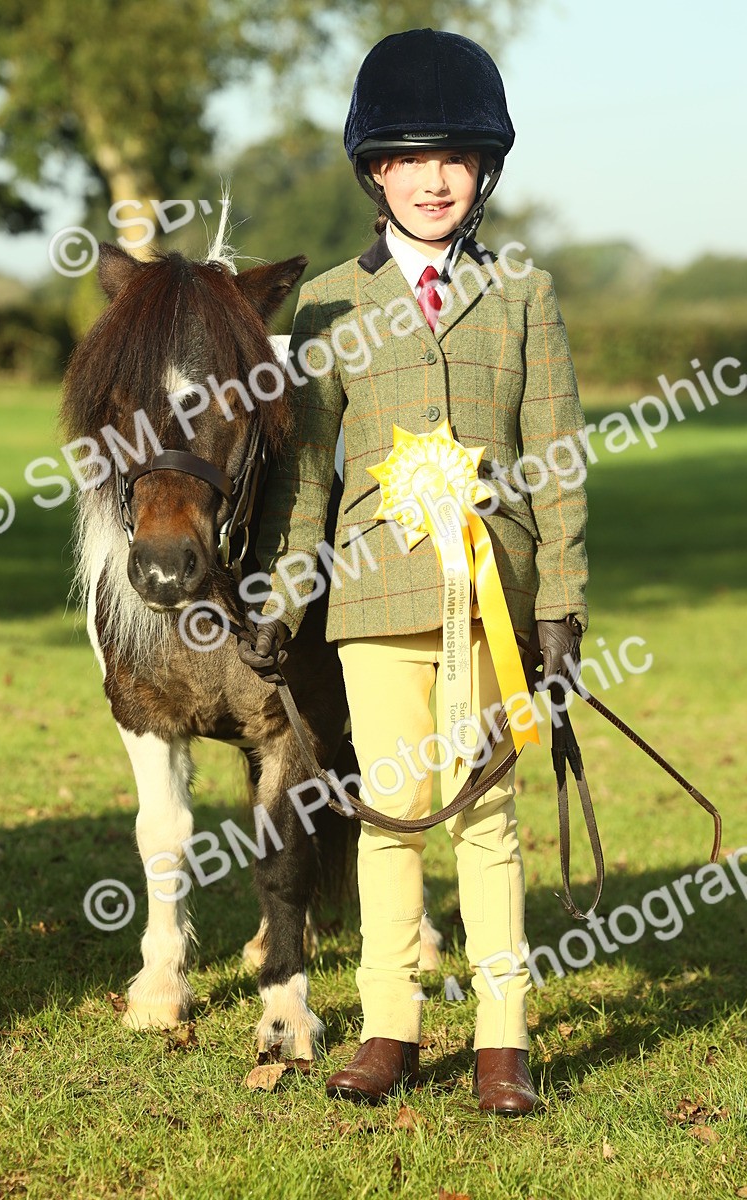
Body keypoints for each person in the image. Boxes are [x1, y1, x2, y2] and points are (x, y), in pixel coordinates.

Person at [239, 27, 588, 1116]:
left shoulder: (523, 297)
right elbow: (301, 478)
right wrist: (278, 589)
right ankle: (388, 1024)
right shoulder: (329, 303)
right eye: (406, 157)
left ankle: (500, 1041)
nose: (430, 178)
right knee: (389, 812)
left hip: (496, 606)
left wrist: (562, 609)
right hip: (376, 599)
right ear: (373, 170)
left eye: (452, 157)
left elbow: (557, 468)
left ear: (481, 171)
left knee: (486, 814)